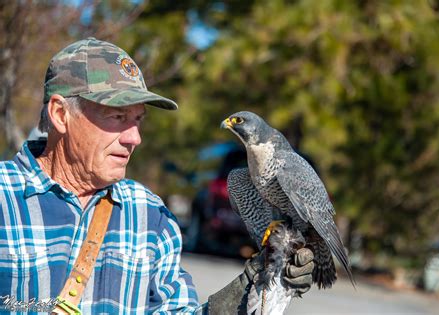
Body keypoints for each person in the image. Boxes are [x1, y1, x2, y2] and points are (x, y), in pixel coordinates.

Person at [0, 38, 314, 314]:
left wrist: (253, 288)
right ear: (60, 115)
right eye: (118, 116)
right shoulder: (5, 198)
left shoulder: (148, 214)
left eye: (138, 120)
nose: (134, 138)